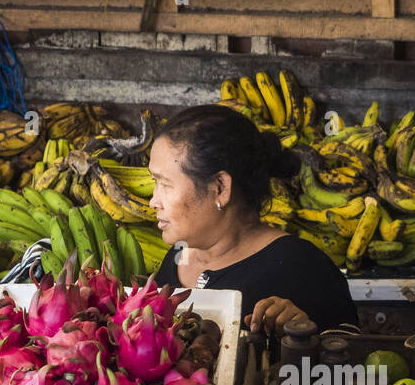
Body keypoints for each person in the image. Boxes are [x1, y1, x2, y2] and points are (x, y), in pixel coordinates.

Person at [149, 105, 359, 334]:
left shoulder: (302, 268)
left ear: (220, 188)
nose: (153, 201)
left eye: (166, 184)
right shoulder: (178, 256)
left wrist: (302, 334)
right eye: (155, 183)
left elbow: (351, 359)